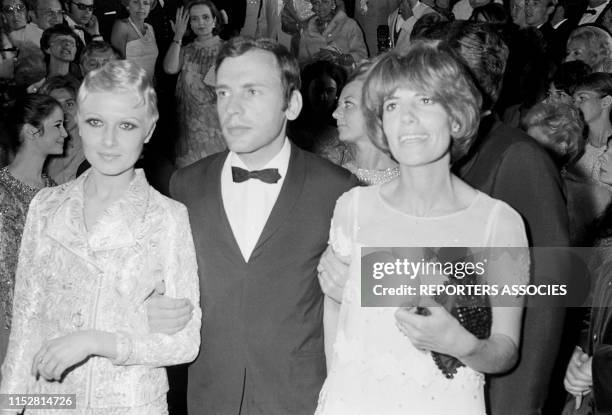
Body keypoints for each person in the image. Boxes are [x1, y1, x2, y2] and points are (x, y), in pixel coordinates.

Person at [319, 21, 571, 415]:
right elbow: (335, 311)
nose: (407, 119)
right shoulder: (352, 208)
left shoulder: (496, 222)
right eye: (392, 105)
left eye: (425, 100)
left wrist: (461, 344)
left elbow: (507, 350)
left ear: (456, 116)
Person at [166, 36, 357, 414]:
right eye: (224, 93)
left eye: (252, 91)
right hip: (209, 397)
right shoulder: (184, 185)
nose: (232, 109)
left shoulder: (338, 189)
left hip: (299, 399)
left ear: (293, 104)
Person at [0, 60, 201, 413]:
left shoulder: (167, 218)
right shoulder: (46, 207)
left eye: (126, 125)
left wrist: (97, 341)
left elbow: (184, 344)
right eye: (95, 122)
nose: (108, 141)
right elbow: (25, 330)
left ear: (149, 130)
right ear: (78, 121)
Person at [0, 93, 63, 375]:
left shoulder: (56, 193)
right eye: (57, 125)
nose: (65, 133)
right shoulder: (2, 190)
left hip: (47, 320)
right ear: (31, 130)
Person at [163, 0, 225, 167]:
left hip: (218, 127)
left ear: (215, 20)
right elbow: (169, 68)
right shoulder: (186, 50)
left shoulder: (228, 50)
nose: (201, 23)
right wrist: (178, 36)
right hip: (189, 127)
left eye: (205, 17)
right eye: (194, 19)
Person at [332, 60, 398, 185]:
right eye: (338, 104)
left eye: (348, 104)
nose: (335, 113)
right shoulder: (335, 177)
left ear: (378, 109)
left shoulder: (410, 184)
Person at [39, 74, 86, 183]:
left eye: (69, 104)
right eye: (55, 105)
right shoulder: (38, 146)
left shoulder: (95, 147)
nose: (63, 112)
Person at [299, 0, 367, 67]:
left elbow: (362, 56)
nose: (320, 6)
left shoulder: (349, 25)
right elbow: (302, 63)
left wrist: (339, 57)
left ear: (333, 3)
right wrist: (315, 61)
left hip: (348, 76)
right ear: (312, 6)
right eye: (316, 2)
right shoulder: (307, 31)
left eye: (325, 1)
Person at [571, 73, 612, 183]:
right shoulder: (574, 144)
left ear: (605, 102)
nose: (575, 105)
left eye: (582, 98)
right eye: (574, 100)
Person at [111, 0, 158, 81]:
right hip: (130, 87)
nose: (141, 7)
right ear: (127, 5)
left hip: (148, 86)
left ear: (150, 7)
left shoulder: (150, 28)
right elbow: (117, 64)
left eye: (146, 3)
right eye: (136, 2)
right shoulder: (122, 26)